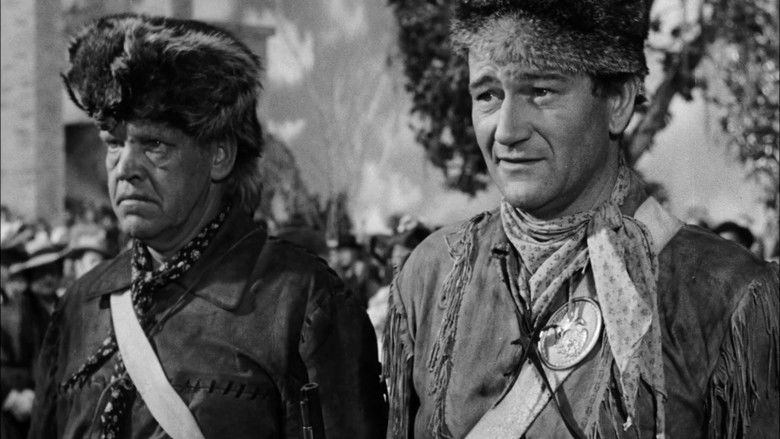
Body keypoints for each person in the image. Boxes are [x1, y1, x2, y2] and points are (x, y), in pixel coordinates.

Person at [385, 2, 779, 438]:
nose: (507, 131)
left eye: (541, 91)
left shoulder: (729, 296)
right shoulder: (431, 275)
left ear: (618, 102)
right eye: (488, 96)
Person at [29, 14, 386, 438]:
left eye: (154, 144)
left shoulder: (303, 303)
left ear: (220, 155)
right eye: (114, 142)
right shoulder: (79, 306)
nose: (125, 168)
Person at [2, 243, 64, 439]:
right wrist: (11, 398)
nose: (48, 278)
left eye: (53, 271)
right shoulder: (13, 312)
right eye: (42, 271)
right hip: (18, 405)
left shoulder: (67, 306)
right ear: (31, 275)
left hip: (58, 403)